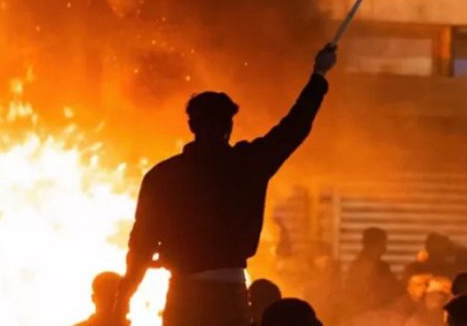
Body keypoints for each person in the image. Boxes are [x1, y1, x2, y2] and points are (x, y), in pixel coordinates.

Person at [114, 45, 337, 326]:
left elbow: (141, 245)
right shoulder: (248, 164)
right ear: (229, 125)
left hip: (183, 297)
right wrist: (319, 75)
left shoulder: (162, 176)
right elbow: (294, 127)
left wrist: (123, 298)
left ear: (192, 125)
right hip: (228, 296)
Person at [343, 227, 397, 317]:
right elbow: (356, 295)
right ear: (374, 244)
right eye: (383, 243)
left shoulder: (382, 266)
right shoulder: (360, 268)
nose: (385, 248)